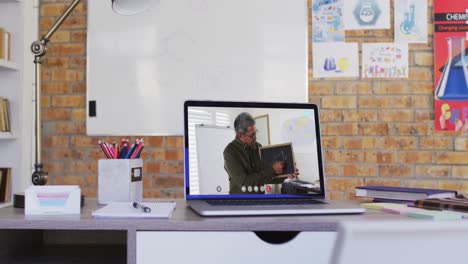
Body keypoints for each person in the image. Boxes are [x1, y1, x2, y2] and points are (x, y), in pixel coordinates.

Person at [223, 112, 297, 194]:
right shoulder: (229, 152)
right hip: (240, 203)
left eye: (255, 132)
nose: (255, 137)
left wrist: (286, 174)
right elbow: (245, 183)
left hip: (259, 199)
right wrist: (272, 170)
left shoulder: (258, 146)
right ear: (241, 135)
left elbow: (266, 177)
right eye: (252, 135)